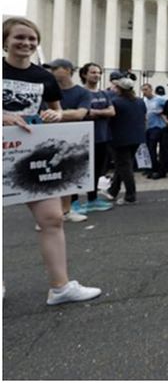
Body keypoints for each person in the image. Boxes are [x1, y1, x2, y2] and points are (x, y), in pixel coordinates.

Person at [2, 17, 102, 305]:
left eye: (32, 39)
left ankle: (60, 286)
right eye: (19, 37)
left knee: (52, 218)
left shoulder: (43, 77)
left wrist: (56, 115)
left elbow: (58, 112)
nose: (26, 43)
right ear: (5, 40)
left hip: (27, 153)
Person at [45, 58, 92, 223]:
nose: (50, 72)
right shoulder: (47, 90)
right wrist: (64, 114)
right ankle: (48, 216)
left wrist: (56, 114)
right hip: (48, 139)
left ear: (66, 70)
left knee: (68, 176)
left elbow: (80, 114)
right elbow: (41, 114)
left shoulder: (82, 92)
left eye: (54, 68)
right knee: (49, 177)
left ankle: (66, 211)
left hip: (72, 138)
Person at [101, 77, 146, 205]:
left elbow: (110, 119)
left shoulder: (115, 102)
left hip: (119, 138)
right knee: (124, 164)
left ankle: (130, 195)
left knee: (125, 166)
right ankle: (113, 191)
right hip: (137, 137)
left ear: (119, 89)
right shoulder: (140, 101)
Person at [78, 62, 115, 213]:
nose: (97, 75)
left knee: (96, 171)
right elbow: (80, 113)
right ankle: (73, 201)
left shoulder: (104, 94)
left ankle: (92, 199)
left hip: (102, 137)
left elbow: (112, 112)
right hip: (83, 138)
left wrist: (94, 112)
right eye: (93, 72)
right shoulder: (80, 93)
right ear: (84, 74)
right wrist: (102, 112)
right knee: (79, 171)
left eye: (99, 72)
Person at [142, 83, 166, 179]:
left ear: (151, 89)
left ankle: (157, 169)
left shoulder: (160, 99)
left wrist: (162, 112)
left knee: (154, 147)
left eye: (146, 89)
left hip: (158, 126)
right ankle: (151, 168)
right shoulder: (144, 101)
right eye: (143, 90)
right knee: (149, 149)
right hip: (148, 127)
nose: (144, 92)